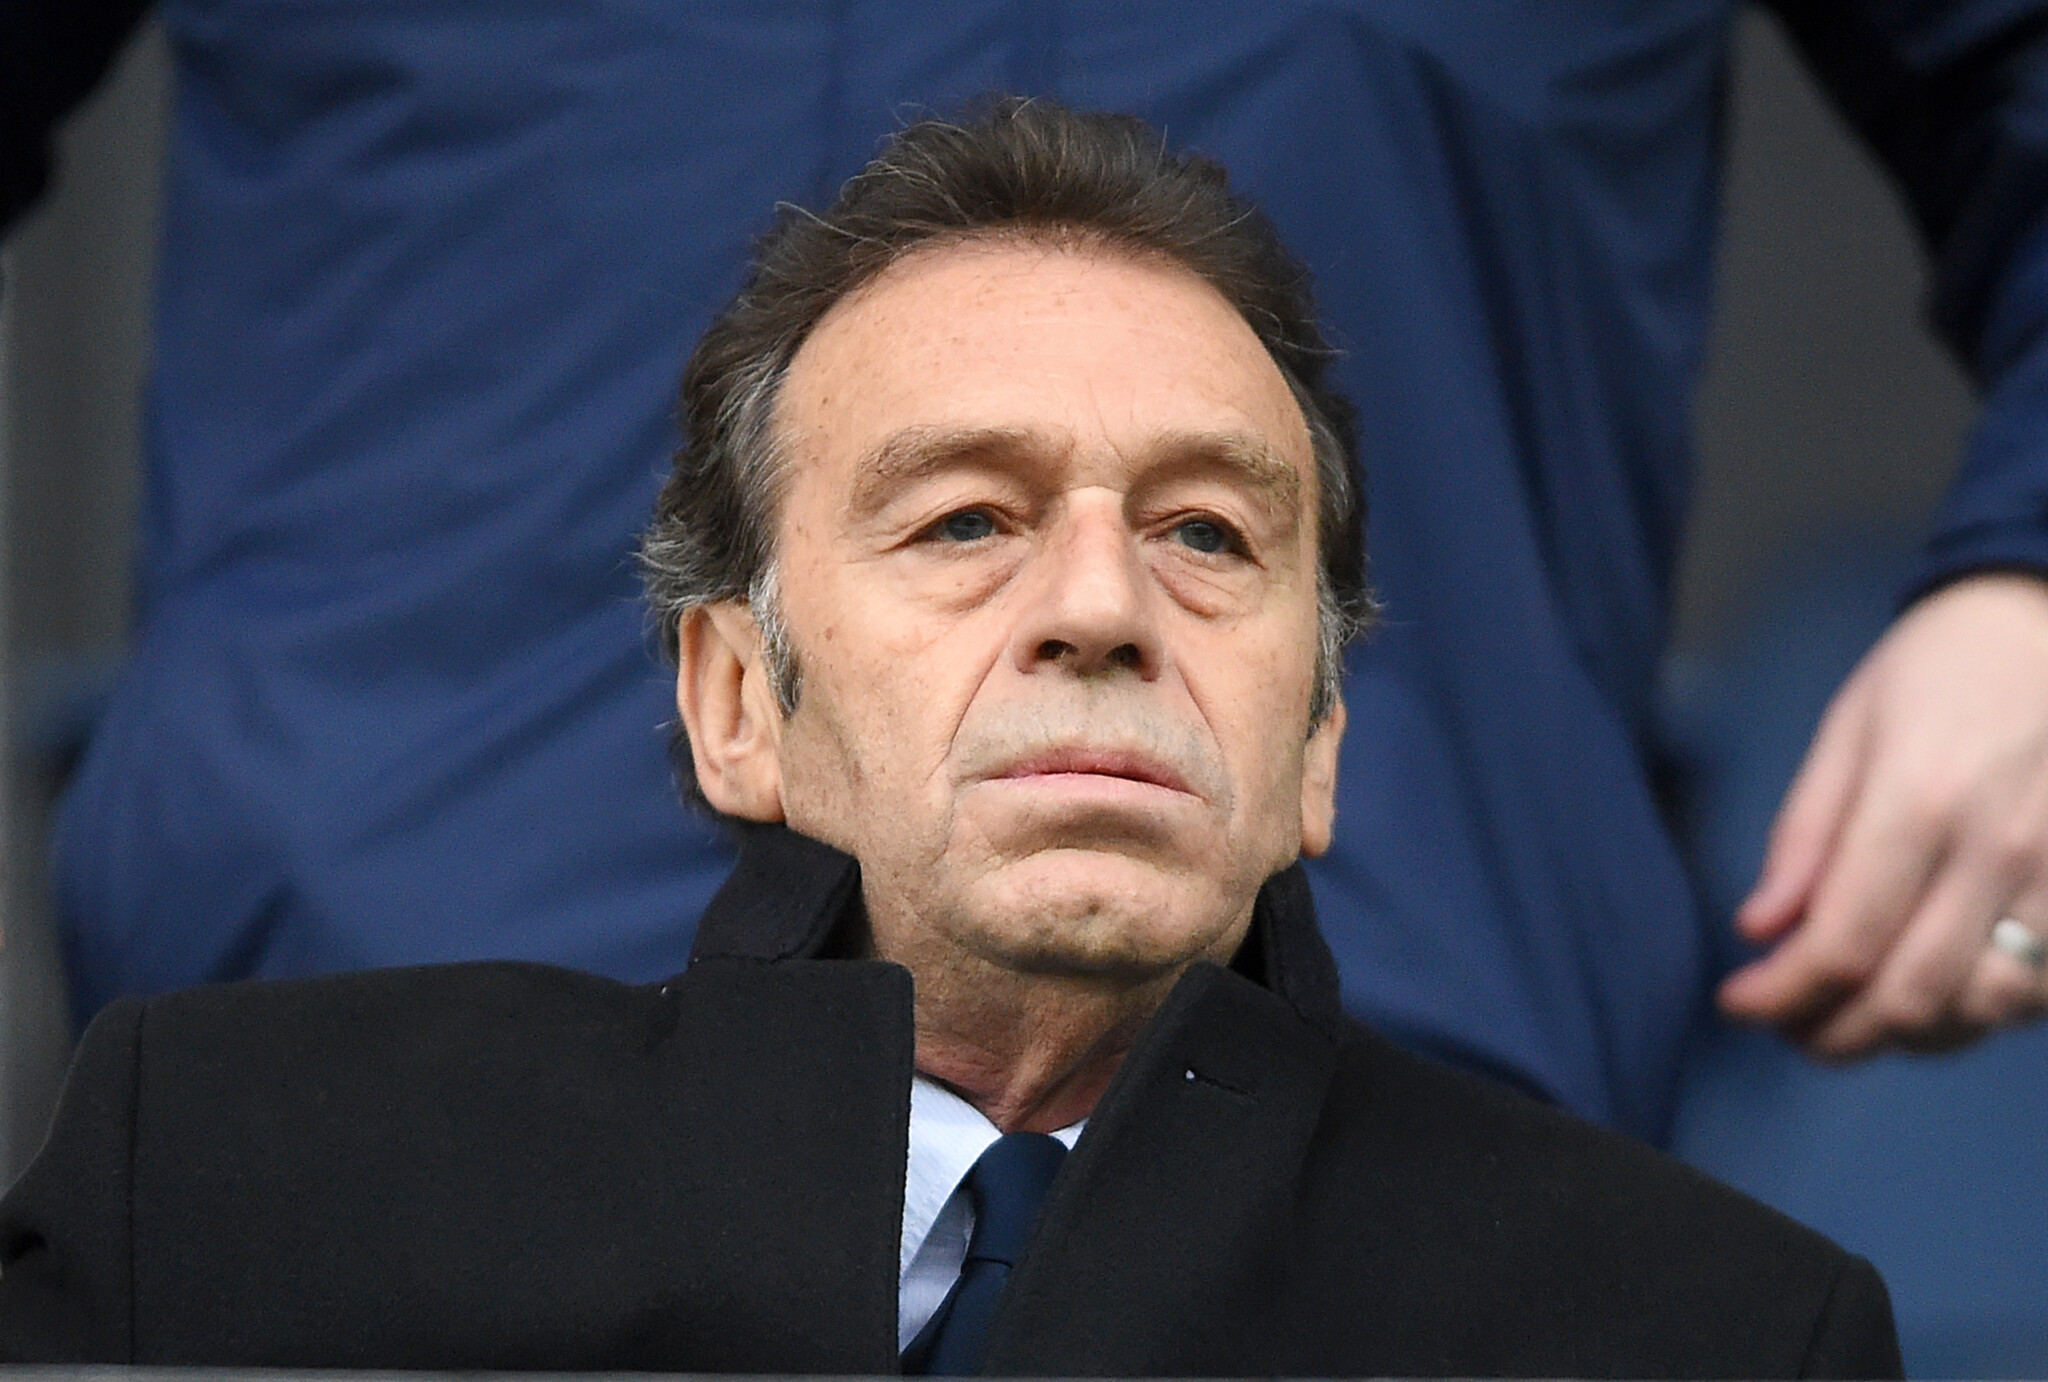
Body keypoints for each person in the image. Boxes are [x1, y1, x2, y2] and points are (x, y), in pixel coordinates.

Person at [0, 102, 1900, 1377]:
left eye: (1207, 534)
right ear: (735, 702)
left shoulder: (1717, 1334)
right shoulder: (232, 1176)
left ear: (1317, 739)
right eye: (967, 518)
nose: (1102, 606)